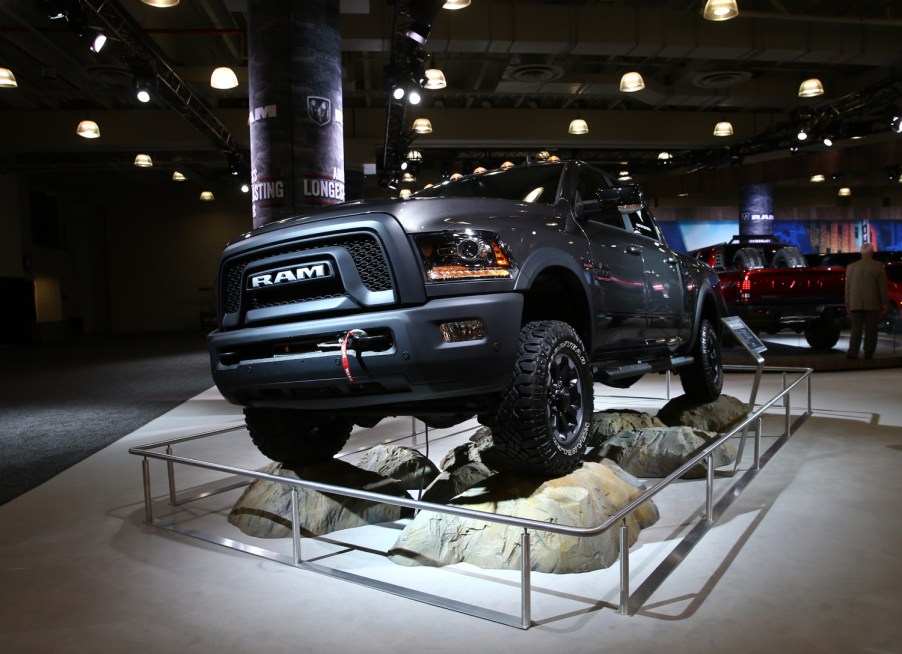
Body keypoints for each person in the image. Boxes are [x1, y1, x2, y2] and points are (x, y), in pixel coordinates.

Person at [844, 242, 888, 359]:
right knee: (871, 330)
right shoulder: (878, 266)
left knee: (856, 330)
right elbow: (882, 287)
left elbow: (847, 288)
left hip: (855, 303)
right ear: (872, 252)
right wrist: (884, 303)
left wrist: (847, 304)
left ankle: (853, 353)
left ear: (861, 252)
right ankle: (868, 353)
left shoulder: (851, 267)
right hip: (873, 303)